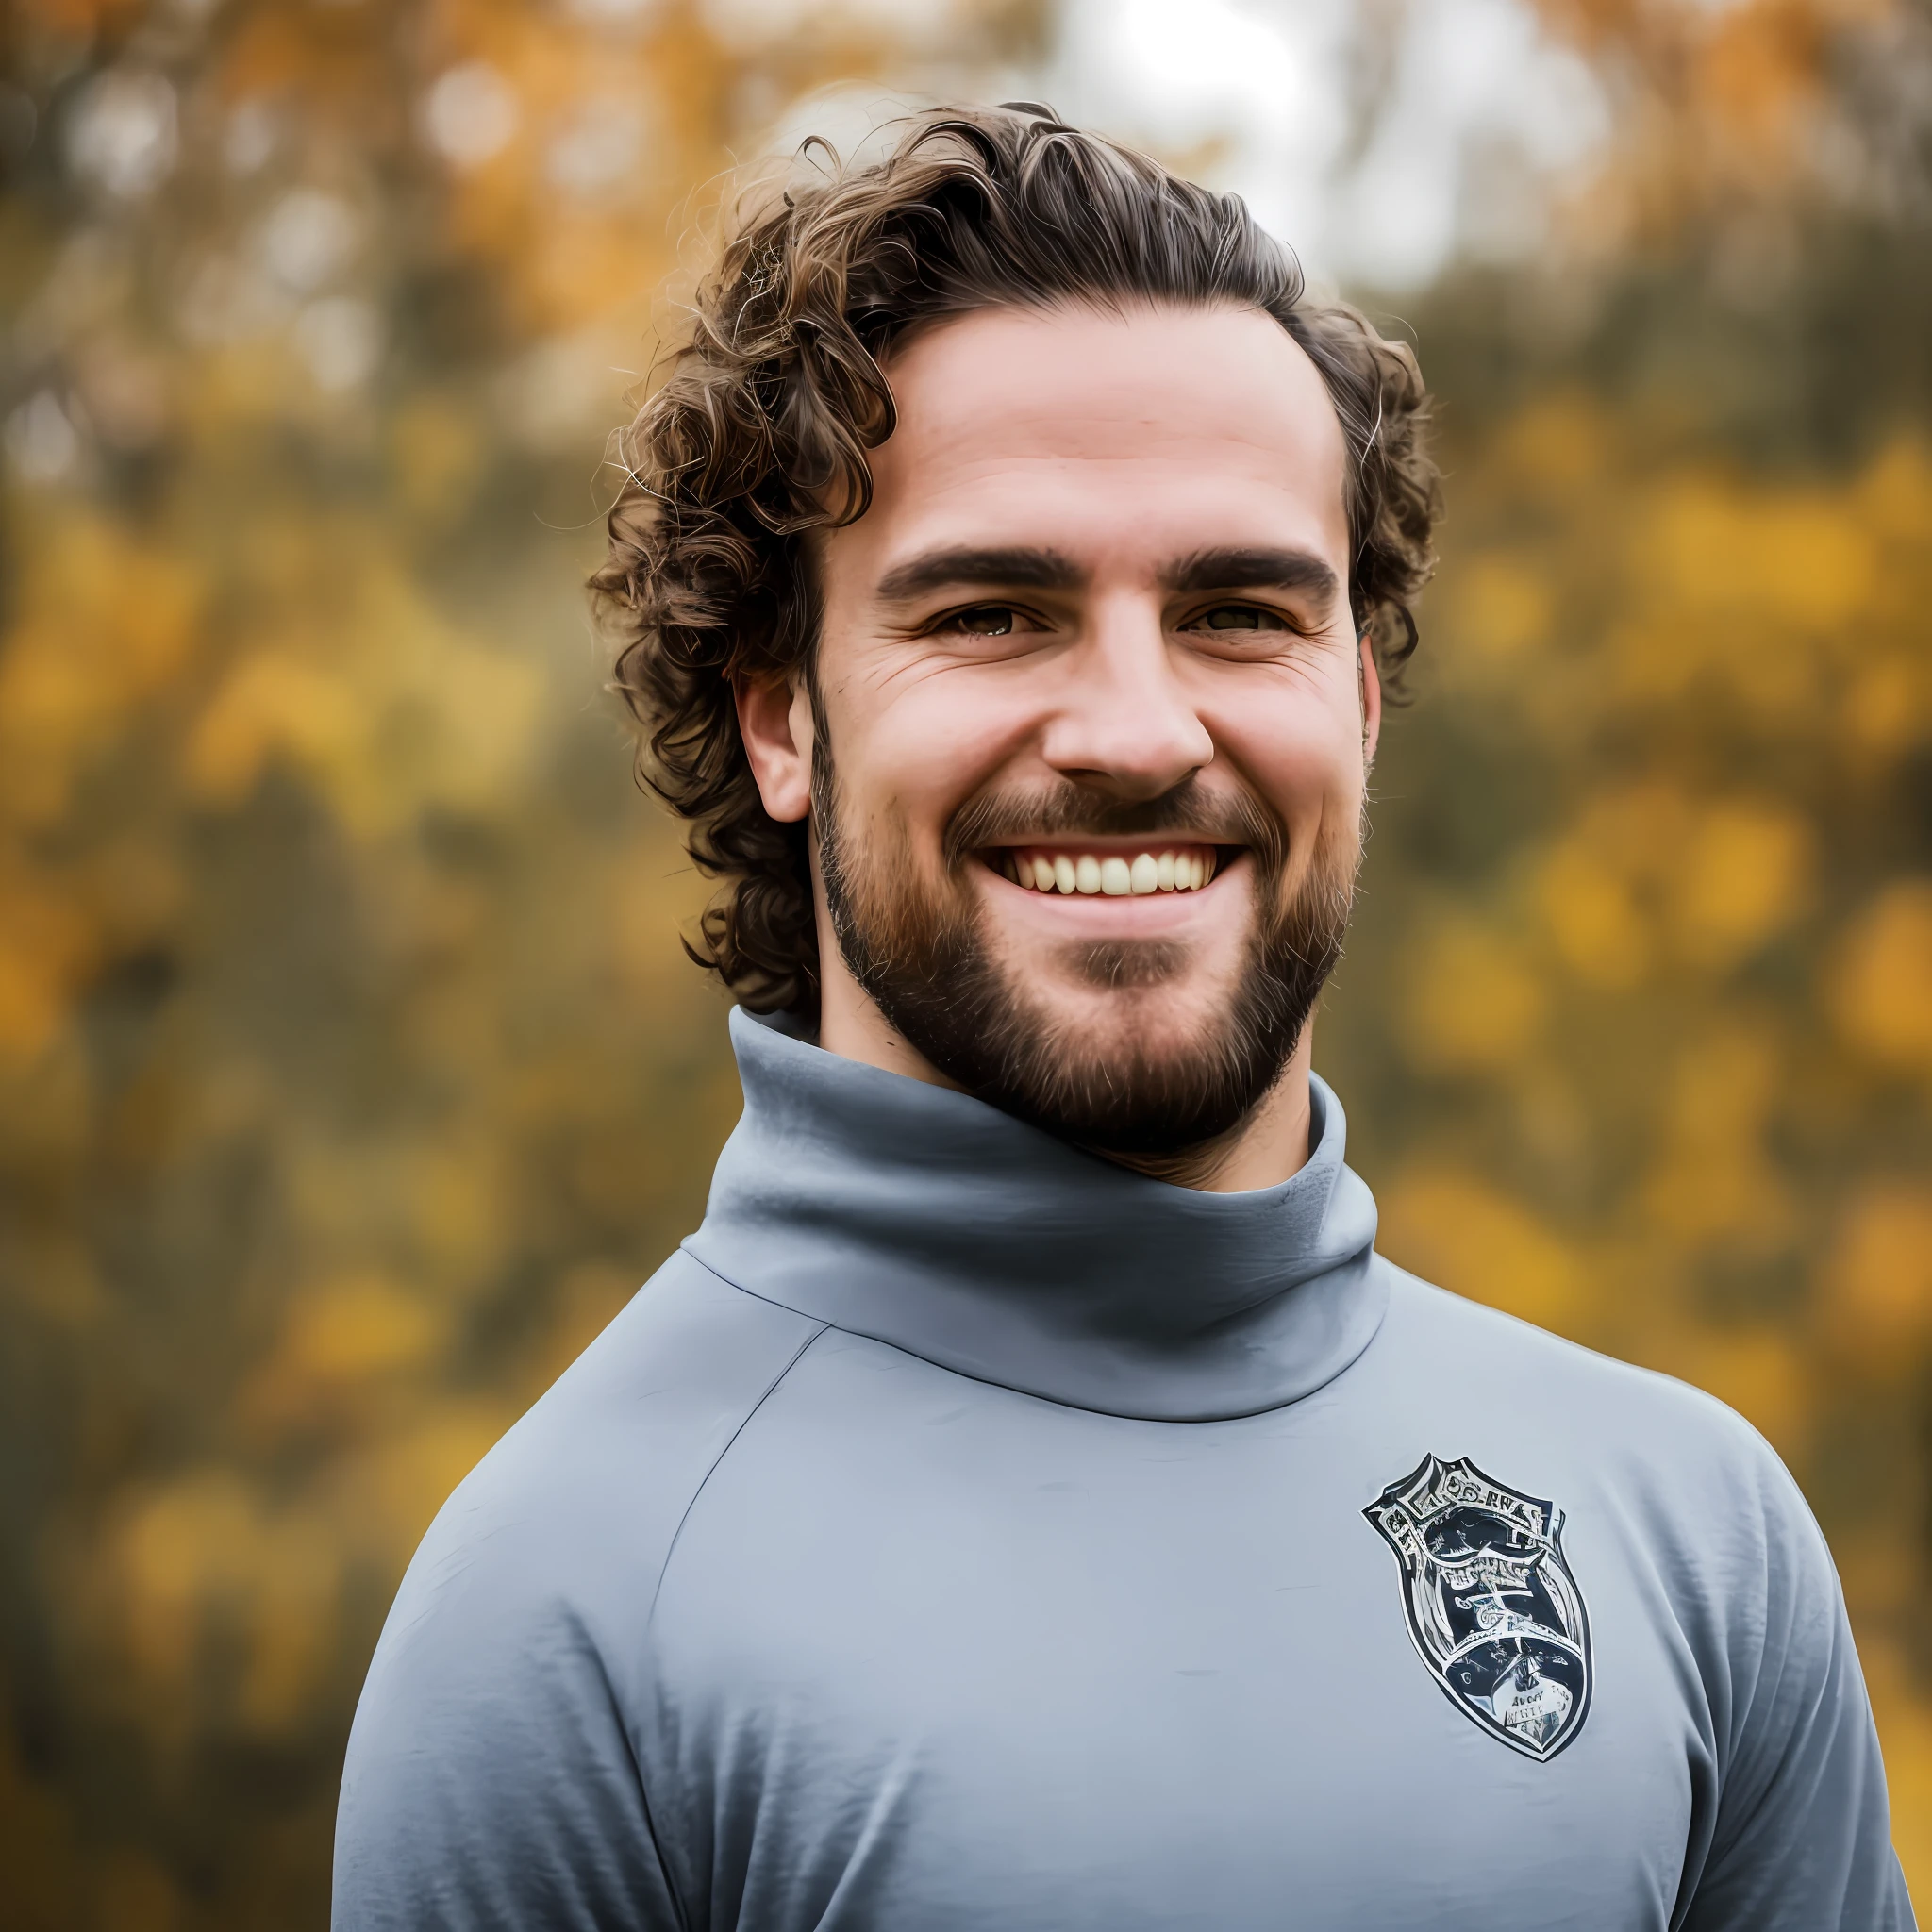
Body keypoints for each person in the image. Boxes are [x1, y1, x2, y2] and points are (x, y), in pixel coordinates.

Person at [332, 104, 1913, 1929]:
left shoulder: (1692, 1535)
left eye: (1241, 611)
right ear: (781, 720)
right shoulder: (573, 1618)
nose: (1144, 733)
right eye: (996, 614)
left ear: (1367, 703)